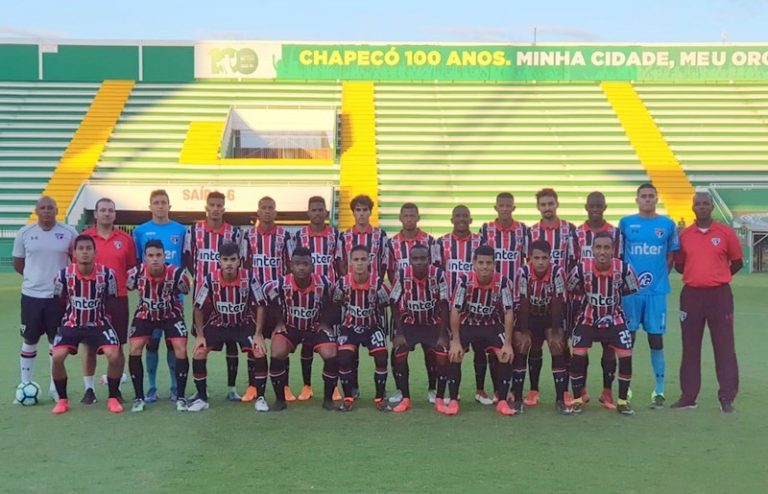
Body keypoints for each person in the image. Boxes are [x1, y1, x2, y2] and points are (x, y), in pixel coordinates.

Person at [672, 191, 743, 413]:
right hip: (691, 296)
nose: (702, 207)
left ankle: (727, 397)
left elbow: (737, 262)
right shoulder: (685, 235)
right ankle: (689, 396)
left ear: (712, 207)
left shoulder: (725, 232)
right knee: (690, 347)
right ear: (693, 207)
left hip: (719, 296)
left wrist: (719, 277)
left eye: (705, 203)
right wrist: (699, 276)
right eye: (698, 203)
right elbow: (680, 265)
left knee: (724, 347)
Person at [619, 183, 680, 409]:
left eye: (650, 196)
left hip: (656, 293)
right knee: (628, 339)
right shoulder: (626, 223)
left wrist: (658, 280)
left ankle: (660, 389)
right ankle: (627, 387)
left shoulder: (667, 224)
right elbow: (620, 254)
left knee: (656, 339)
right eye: (643, 196)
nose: (647, 199)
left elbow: (671, 258)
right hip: (631, 293)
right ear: (637, 199)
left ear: (656, 199)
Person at [567, 231, 640, 416]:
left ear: (613, 249)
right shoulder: (581, 269)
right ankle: (577, 400)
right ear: (592, 249)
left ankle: (622, 401)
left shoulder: (624, 269)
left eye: (606, 247)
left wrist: (610, 298)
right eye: (598, 247)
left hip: (614, 318)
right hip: (588, 319)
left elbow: (632, 287)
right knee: (578, 354)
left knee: (625, 355)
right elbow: (571, 287)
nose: (602, 251)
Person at [189, 242, 268, 412]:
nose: (229, 263)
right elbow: (198, 306)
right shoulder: (210, 279)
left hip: (243, 323)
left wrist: (258, 333)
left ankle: (260, 397)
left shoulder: (250, 277)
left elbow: (261, 304)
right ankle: (202, 398)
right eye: (225, 260)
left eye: (233, 259)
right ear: (219, 261)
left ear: (239, 261)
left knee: (259, 350)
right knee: (199, 351)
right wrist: (200, 335)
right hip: (219, 323)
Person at [13, 196, 78, 403]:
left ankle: (54, 387)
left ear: (57, 210)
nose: (47, 211)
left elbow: (76, 261)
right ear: (36, 210)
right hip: (31, 296)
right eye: (43, 208)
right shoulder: (25, 233)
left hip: (57, 297)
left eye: (51, 207)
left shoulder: (69, 233)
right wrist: (34, 279)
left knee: (55, 342)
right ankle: (25, 383)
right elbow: (18, 263)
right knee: (29, 340)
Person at [50, 235, 123, 414]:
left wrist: (112, 325)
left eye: (88, 249)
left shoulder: (107, 275)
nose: (84, 252)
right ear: (74, 253)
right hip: (72, 324)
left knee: (114, 355)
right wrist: (61, 326)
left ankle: (113, 397)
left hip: (99, 324)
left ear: (95, 252)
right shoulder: (62, 275)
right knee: (57, 357)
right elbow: (58, 302)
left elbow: (113, 302)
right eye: (80, 249)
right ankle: (62, 400)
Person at [183, 191, 243, 402]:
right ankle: (202, 389)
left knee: (232, 342)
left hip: (229, 296)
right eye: (212, 205)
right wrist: (201, 277)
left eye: (220, 205)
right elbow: (189, 258)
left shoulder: (235, 233)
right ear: (206, 207)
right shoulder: (194, 230)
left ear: (224, 208)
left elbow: (240, 261)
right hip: (202, 295)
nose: (216, 208)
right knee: (202, 341)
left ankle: (232, 388)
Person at [263, 247, 339, 411]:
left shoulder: (324, 283)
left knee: (331, 353)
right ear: (291, 266)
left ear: (312, 266)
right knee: (276, 351)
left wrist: (326, 322)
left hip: (314, 328)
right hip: (291, 327)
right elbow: (267, 297)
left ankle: (328, 400)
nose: (301, 268)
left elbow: (334, 302)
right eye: (297, 264)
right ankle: (280, 400)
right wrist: (278, 321)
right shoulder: (281, 284)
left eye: (305, 264)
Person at [447, 245, 516, 416]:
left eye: (488, 263)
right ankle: (454, 400)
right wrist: (455, 341)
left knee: (505, 355)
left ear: (494, 264)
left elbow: (508, 312)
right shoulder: (464, 281)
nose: (485, 266)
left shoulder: (503, 282)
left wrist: (507, 343)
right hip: (468, 324)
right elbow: (455, 310)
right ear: (474, 264)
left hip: (491, 324)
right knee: (455, 354)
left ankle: (501, 401)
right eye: (481, 263)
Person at [132, 189, 187, 403]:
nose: (160, 206)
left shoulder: (181, 230)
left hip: (174, 302)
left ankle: (175, 387)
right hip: (148, 301)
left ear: (169, 206)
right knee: (150, 344)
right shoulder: (140, 231)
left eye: (164, 202)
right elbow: (138, 263)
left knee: (174, 344)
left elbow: (185, 259)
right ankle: (152, 387)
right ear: (150, 206)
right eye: (156, 202)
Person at [434, 205, 491, 405]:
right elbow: (437, 273)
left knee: (481, 349)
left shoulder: (480, 242)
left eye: (465, 216)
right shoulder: (441, 243)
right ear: (451, 220)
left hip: (477, 305)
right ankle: (453, 391)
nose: (461, 219)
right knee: (453, 350)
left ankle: (480, 390)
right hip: (452, 307)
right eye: (457, 216)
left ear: (471, 219)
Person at [81, 197, 136, 404]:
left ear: (115, 214)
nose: (106, 213)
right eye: (102, 210)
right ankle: (89, 389)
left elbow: (131, 268)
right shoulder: (85, 238)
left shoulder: (125, 239)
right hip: (90, 299)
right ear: (95, 214)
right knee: (89, 345)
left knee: (118, 345)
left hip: (118, 299)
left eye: (110, 210)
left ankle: (115, 388)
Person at [126, 240, 191, 412]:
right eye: (151, 256)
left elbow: (185, 291)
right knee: (135, 348)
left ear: (164, 256)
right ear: (145, 258)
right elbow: (128, 287)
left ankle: (180, 395)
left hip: (171, 315)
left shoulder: (177, 274)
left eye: (158, 255)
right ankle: (140, 396)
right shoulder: (135, 273)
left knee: (180, 348)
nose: (155, 259)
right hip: (145, 314)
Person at [526, 188, 577, 406]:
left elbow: (574, 262)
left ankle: (564, 391)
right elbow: (526, 263)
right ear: (538, 207)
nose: (547, 208)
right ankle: (533, 390)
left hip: (561, 299)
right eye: (543, 204)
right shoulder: (531, 232)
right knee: (534, 345)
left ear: (557, 204)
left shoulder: (569, 230)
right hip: (537, 300)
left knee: (560, 344)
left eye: (550, 203)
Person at [335, 195, 389, 398]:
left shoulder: (380, 236)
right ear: (353, 213)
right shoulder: (345, 236)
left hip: (372, 295)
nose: (362, 213)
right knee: (350, 350)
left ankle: (379, 393)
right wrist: (348, 282)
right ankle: (353, 388)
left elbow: (383, 264)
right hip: (351, 295)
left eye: (365, 210)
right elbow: (340, 263)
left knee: (378, 349)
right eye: (358, 210)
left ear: (370, 212)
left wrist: (375, 286)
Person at [573, 191, 623, 409]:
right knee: (581, 347)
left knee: (609, 347)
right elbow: (573, 264)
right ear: (586, 207)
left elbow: (620, 263)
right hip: (584, 302)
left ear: (605, 206)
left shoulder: (616, 233)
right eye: (592, 205)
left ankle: (607, 391)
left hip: (610, 302)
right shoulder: (576, 234)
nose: (595, 208)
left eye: (599, 205)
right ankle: (581, 389)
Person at [241, 196, 293, 401]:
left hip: (278, 301)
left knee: (281, 342)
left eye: (271, 208)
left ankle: (285, 386)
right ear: (258, 211)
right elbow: (245, 264)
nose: (267, 211)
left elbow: (290, 265)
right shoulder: (248, 236)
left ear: (276, 211)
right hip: (254, 300)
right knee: (254, 342)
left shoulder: (285, 236)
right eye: (264, 208)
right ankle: (253, 386)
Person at [389, 243, 450, 413]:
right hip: (410, 323)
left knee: (442, 353)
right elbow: (393, 302)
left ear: (429, 260)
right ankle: (406, 398)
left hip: (432, 323)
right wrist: (399, 333)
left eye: (423, 258)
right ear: (410, 260)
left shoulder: (438, 275)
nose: (419, 262)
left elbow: (444, 304)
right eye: (415, 259)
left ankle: (438, 397)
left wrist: (444, 333)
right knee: (399, 352)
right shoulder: (402, 275)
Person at [290, 195, 341, 401]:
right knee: (307, 343)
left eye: (321, 210)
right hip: (305, 295)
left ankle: (333, 387)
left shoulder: (335, 236)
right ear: (308, 213)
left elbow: (339, 264)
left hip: (327, 297)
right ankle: (307, 386)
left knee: (331, 341)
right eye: (314, 210)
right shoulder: (300, 236)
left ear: (326, 213)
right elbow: (293, 263)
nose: (317, 213)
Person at [386, 203, 437, 405]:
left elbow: (434, 269)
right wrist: (403, 291)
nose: (409, 219)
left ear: (418, 217)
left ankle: (433, 388)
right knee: (398, 348)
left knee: (430, 349)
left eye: (412, 215)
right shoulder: (392, 244)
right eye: (405, 215)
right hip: (403, 306)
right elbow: (390, 271)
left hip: (427, 306)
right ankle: (400, 389)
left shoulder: (430, 241)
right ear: (400, 217)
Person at [512, 240, 570, 415]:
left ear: (550, 258)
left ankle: (560, 398)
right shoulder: (523, 272)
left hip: (549, 316)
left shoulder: (558, 272)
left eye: (544, 258)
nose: (540, 262)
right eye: (536, 258)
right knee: (523, 344)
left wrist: (555, 331)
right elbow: (522, 302)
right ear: (529, 258)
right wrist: (523, 331)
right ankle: (518, 398)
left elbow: (558, 302)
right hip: (528, 316)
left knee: (556, 344)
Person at [333, 245, 391, 412]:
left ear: (370, 262)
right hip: (349, 327)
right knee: (344, 358)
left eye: (363, 259)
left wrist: (383, 329)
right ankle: (348, 397)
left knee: (381, 356)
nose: (359, 263)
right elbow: (336, 303)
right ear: (350, 263)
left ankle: (380, 397)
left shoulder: (379, 284)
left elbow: (387, 304)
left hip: (371, 327)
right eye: (356, 260)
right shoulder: (342, 284)